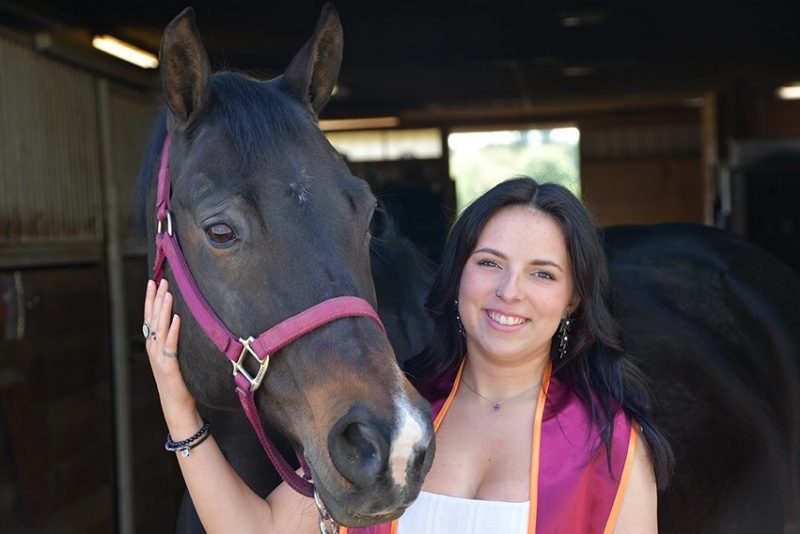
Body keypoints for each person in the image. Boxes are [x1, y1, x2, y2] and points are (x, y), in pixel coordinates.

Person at [144, 176, 672, 533]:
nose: (511, 291)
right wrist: (178, 403)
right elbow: (260, 530)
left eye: (543, 273)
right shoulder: (395, 414)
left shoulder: (612, 447)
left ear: (573, 298)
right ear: (459, 273)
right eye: (490, 263)